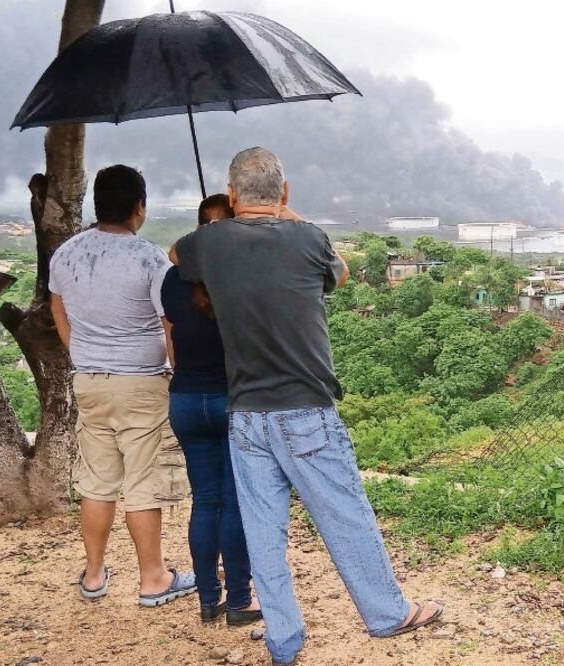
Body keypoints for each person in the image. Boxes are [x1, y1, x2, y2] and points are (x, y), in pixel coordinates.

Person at [170, 147, 443, 665]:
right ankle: (387, 613)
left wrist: (222, 231)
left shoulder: (207, 244)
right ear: (286, 193)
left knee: (263, 531)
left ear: (230, 197)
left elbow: (176, 258)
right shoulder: (308, 237)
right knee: (345, 516)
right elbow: (337, 276)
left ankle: (283, 640)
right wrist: (286, 214)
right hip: (305, 409)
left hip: (245, 413)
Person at [49, 164, 196, 606]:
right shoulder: (150, 259)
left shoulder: (66, 255)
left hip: (89, 381)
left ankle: (94, 576)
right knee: (143, 481)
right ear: (139, 207)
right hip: (142, 385)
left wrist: (83, 354)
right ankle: (153, 578)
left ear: (97, 204)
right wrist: (181, 370)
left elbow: (59, 313)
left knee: (97, 481)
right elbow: (169, 325)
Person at [161, 194, 262, 626]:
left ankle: (207, 600)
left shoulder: (170, 279)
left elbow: (172, 343)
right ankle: (240, 601)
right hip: (231, 399)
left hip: (185, 399)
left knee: (205, 501)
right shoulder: (238, 279)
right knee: (235, 502)